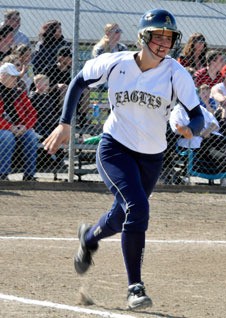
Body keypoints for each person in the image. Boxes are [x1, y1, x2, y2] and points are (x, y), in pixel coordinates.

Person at [43, 8, 204, 310]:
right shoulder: (116, 63)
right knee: (138, 207)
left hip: (152, 157)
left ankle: (89, 237)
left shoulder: (175, 73)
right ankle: (135, 287)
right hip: (115, 148)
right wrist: (65, 123)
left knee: (123, 215)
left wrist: (189, 129)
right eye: (158, 35)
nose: (164, 43)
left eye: (169, 37)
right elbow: (79, 81)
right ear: (143, 37)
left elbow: (197, 115)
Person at [0, 62, 38, 181]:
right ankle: (3, 174)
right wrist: (10, 127)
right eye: (12, 76)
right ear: (2, 76)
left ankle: (29, 175)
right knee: (7, 136)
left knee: (31, 136)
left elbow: (32, 114)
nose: (15, 79)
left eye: (16, 76)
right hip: (4, 129)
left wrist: (25, 127)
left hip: (19, 127)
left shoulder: (19, 92)